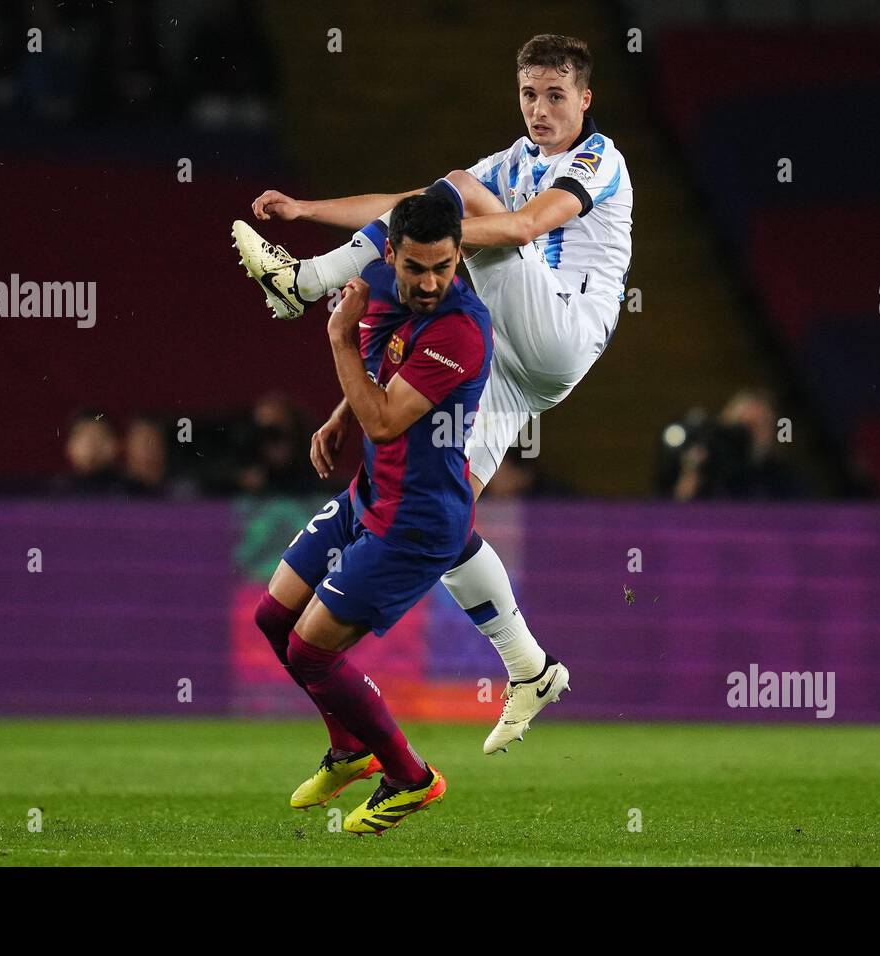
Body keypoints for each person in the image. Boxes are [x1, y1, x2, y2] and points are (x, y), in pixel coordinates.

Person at [234, 34, 624, 753]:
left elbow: (524, 226)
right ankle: (530, 668)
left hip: (560, 331)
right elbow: (408, 209)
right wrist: (307, 207)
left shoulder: (599, 160)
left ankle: (306, 284)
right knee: (441, 513)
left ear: (585, 99)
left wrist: (430, 237)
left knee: (451, 191)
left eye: (556, 95)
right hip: (513, 362)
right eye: (530, 94)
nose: (540, 109)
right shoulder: (511, 161)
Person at [252, 193, 493, 833]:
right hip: (370, 495)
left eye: (444, 267)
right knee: (272, 615)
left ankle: (411, 778)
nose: (430, 282)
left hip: (415, 523)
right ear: (391, 255)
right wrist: (339, 414)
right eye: (416, 268)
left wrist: (336, 338)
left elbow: (386, 419)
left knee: (310, 653)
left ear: (460, 254)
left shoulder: (460, 331)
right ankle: (350, 748)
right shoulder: (387, 283)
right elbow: (383, 375)